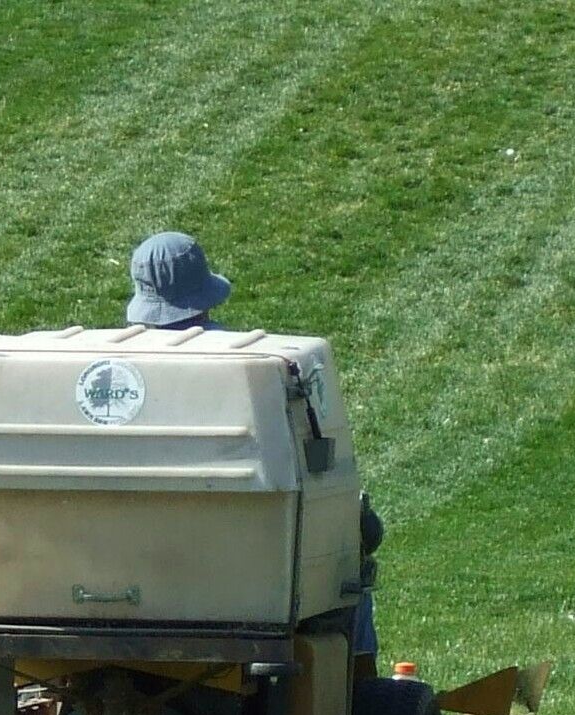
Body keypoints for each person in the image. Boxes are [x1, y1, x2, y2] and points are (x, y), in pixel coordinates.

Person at [124, 231, 382, 657]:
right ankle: (359, 697)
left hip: (129, 565)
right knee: (352, 563)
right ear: (206, 295)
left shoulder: (108, 369)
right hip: (231, 570)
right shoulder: (261, 365)